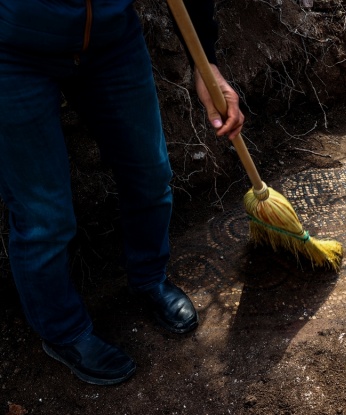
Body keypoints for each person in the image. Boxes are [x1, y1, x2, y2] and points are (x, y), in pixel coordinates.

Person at [0, 0, 244, 385]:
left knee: (149, 175)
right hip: (14, 52)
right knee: (43, 215)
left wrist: (205, 61)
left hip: (111, 42)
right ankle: (63, 331)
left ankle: (149, 278)